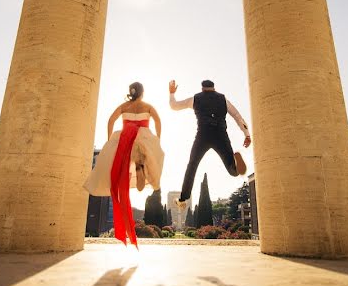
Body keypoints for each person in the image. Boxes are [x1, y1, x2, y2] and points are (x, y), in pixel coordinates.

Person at [84, 81, 164, 247]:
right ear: (142, 93)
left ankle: (134, 167)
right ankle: (141, 166)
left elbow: (111, 120)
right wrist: (157, 137)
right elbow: (158, 121)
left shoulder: (124, 106)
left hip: (125, 137)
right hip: (142, 136)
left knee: (119, 166)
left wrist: (109, 139)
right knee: (149, 156)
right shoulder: (148, 106)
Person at [169, 79, 251, 208]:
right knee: (233, 171)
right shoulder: (223, 99)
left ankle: (183, 198)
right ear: (214, 88)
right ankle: (235, 164)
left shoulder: (195, 99)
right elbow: (237, 116)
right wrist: (246, 134)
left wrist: (172, 93)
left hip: (203, 135)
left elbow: (174, 106)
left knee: (192, 164)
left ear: (202, 88)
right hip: (221, 135)